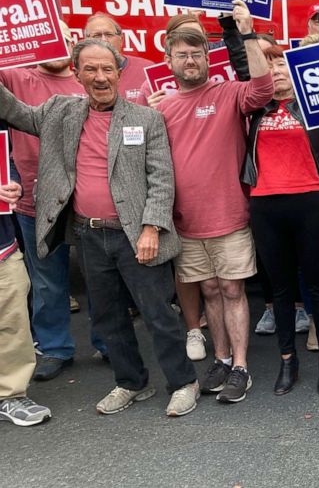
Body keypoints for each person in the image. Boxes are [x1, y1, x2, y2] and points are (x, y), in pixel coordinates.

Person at [0, 39, 200, 417]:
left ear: (120, 73)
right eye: (90, 69)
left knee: (158, 313)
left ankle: (182, 382)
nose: (100, 76)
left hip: (137, 236)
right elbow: (14, 111)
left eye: (107, 69)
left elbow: (162, 180)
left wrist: (151, 228)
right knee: (107, 316)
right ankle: (130, 382)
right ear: (76, 73)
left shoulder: (145, 119)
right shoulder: (60, 111)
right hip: (89, 234)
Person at [155, 1, 274, 405]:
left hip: (230, 216)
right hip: (186, 222)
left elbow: (263, 88)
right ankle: (220, 359)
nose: (190, 60)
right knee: (208, 289)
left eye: (197, 53)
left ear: (208, 58)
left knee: (232, 289)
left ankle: (240, 367)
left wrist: (248, 32)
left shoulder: (227, 93)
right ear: (169, 58)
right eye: (182, 54)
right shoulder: (162, 107)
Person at [245, 33, 319, 395]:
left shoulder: (312, 107)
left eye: (281, 62)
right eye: (268, 63)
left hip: (310, 202)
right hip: (265, 205)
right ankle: (288, 361)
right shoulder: (256, 109)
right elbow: (246, 67)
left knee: (318, 286)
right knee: (281, 289)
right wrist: (242, 30)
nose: (275, 69)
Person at [0, 23, 87, 380]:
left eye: (63, 36)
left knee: (99, 280)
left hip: (87, 202)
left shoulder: (88, 76)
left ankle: (109, 344)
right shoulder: (15, 76)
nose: (56, 43)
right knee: (48, 280)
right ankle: (54, 348)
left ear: (72, 42)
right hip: (34, 202)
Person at [0, 136, 52, 427]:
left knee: (11, 320)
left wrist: (13, 183)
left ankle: (10, 395)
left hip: (2, 244)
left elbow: (6, 161)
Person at [83, 13, 156, 104]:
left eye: (109, 34)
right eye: (97, 36)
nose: (104, 40)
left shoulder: (146, 68)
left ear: (121, 39)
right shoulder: (82, 73)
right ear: (86, 41)